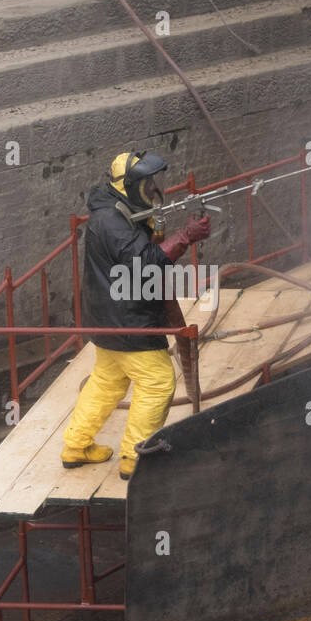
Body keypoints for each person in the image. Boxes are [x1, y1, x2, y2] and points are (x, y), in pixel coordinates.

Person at [61, 150, 211, 480]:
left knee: (107, 381)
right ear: (129, 185)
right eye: (146, 182)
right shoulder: (113, 222)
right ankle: (134, 456)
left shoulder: (114, 211)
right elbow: (145, 264)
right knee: (157, 382)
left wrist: (155, 229)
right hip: (129, 320)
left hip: (107, 319)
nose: (153, 187)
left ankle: (76, 445)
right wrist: (185, 237)